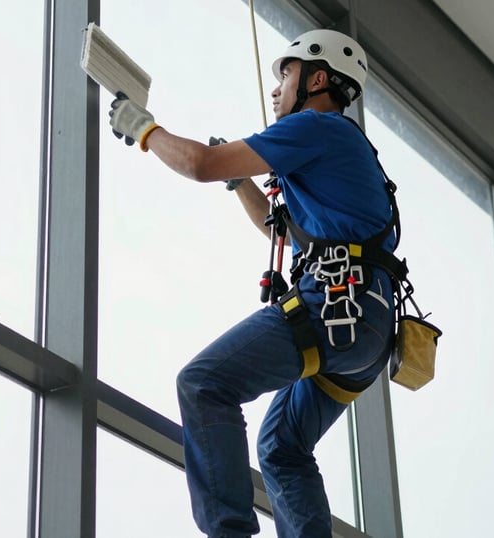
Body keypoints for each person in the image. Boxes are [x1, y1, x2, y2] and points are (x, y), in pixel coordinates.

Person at [109, 29, 398, 538]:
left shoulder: (316, 127)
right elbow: (281, 230)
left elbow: (198, 163)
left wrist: (146, 131)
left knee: (203, 384)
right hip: (366, 328)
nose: (275, 88)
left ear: (318, 79)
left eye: (285, 73)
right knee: (281, 448)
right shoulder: (344, 150)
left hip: (334, 308)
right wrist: (240, 182)